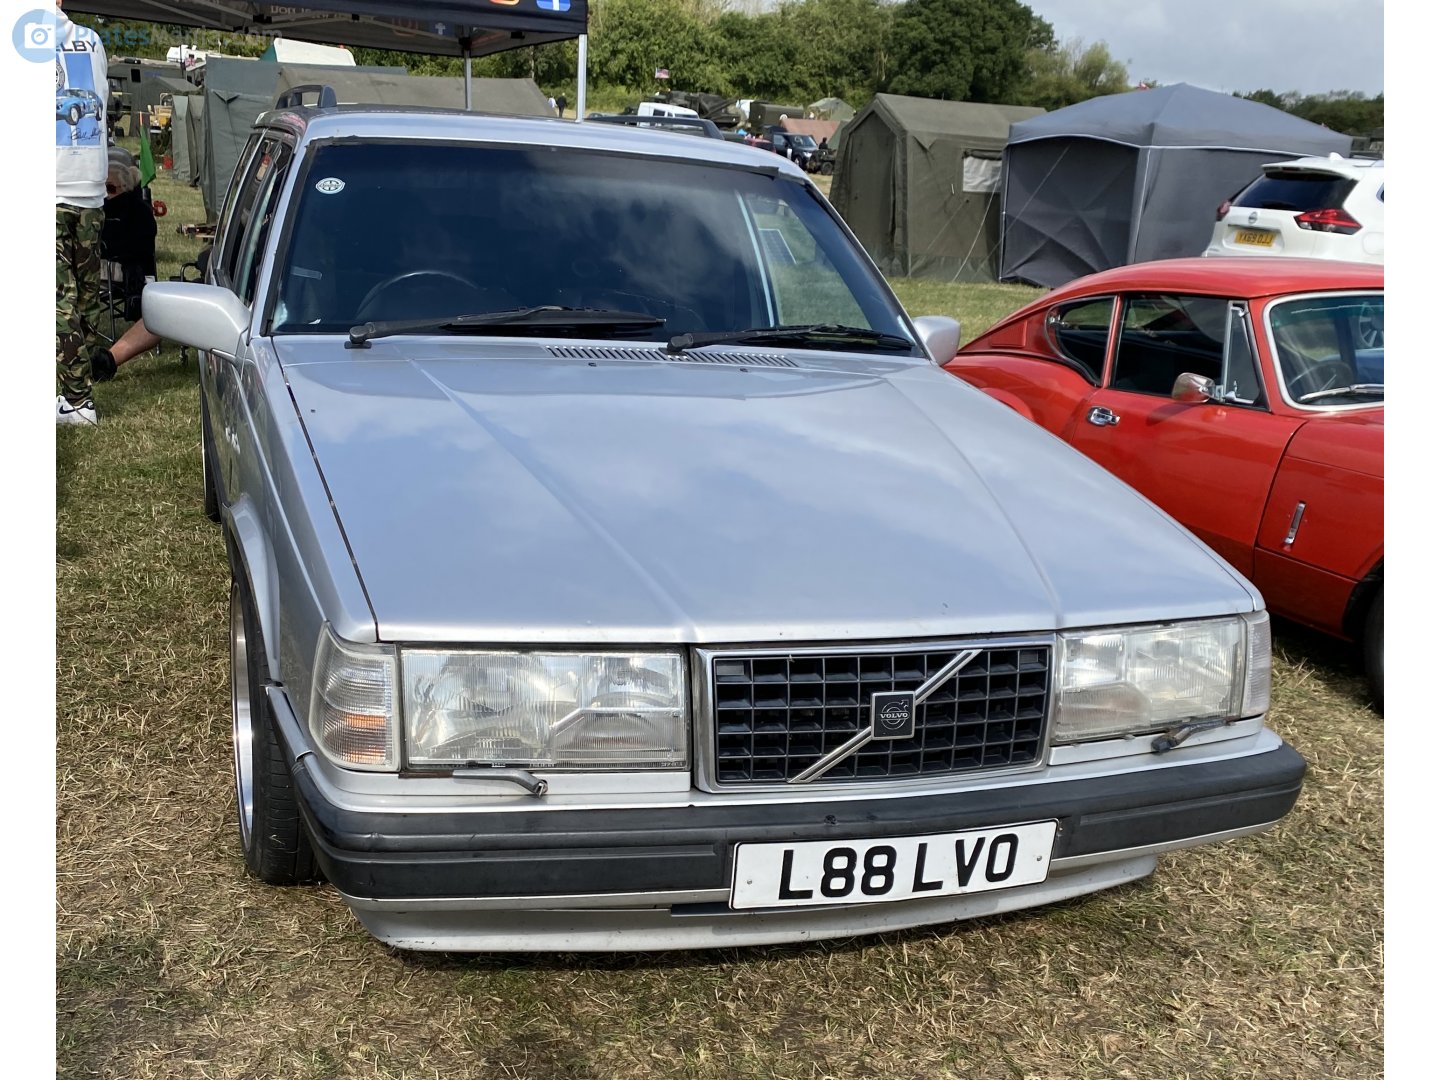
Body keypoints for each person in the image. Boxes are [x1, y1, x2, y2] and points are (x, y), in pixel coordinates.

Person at [54, 0, 110, 426]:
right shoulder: (91, 39)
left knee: (58, 299)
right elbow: (103, 98)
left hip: (51, 182)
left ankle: (77, 400)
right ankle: (82, 378)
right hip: (90, 180)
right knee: (87, 292)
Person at [100, 158, 157, 319]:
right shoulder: (102, 209)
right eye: (101, 188)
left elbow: (138, 247)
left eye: (109, 188)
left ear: (124, 187)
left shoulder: (135, 212)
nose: (105, 193)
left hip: (118, 268)